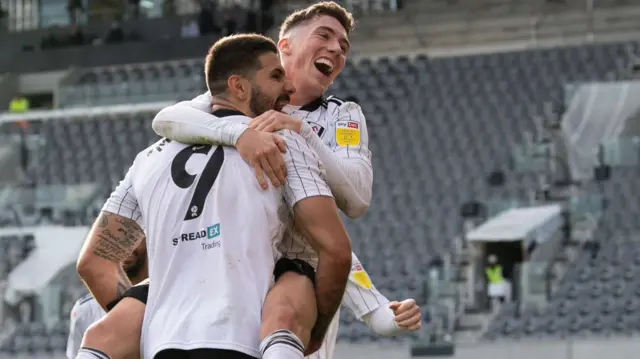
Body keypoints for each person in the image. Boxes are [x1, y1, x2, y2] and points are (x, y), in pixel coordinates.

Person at [75, 33, 352, 359]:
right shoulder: (280, 144)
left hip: (163, 345)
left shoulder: (149, 158)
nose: (290, 88)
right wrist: (314, 333)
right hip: (241, 341)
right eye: (276, 76)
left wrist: (140, 320)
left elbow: (94, 263)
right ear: (239, 87)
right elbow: (336, 251)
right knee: (297, 271)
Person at [152, 1, 386, 356]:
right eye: (324, 35)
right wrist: (240, 135)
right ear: (285, 45)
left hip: (302, 281)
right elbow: (167, 119)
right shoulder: (243, 96)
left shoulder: (343, 116)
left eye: (343, 46)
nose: (337, 49)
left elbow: (356, 197)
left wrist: (302, 132)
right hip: (234, 268)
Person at [66, 242, 148, 359]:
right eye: (118, 237)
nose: (127, 244)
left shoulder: (165, 298)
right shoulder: (85, 309)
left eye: (137, 237)